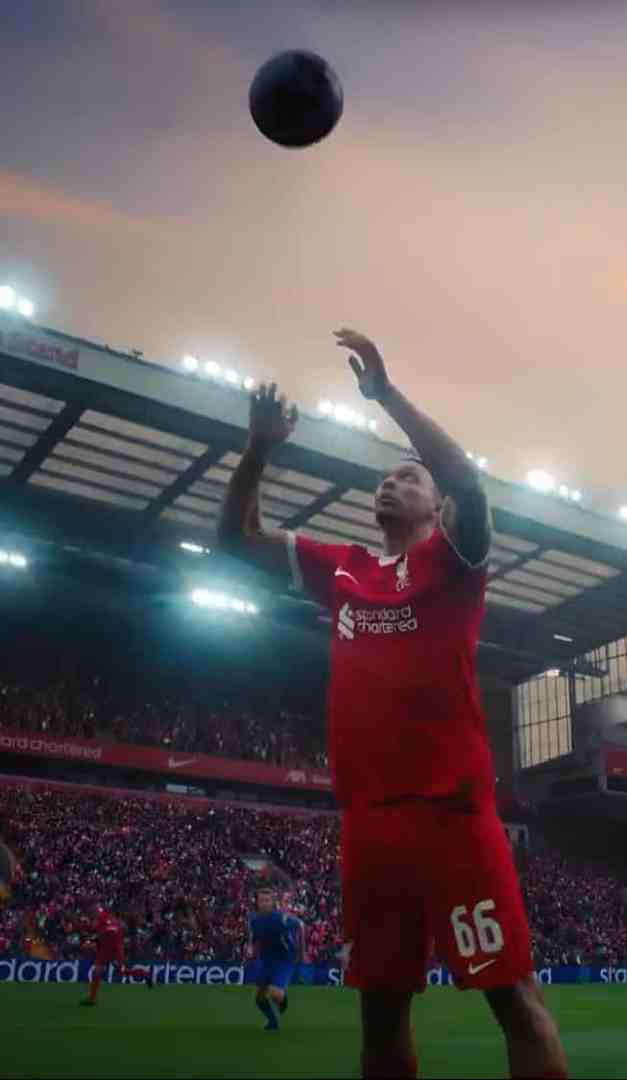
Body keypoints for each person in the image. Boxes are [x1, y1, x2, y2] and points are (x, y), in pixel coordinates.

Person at [217, 329, 569, 1079]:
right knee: (378, 1016)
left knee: (514, 1001)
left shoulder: (454, 560)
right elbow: (233, 539)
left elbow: (468, 482)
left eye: (407, 478)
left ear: (435, 506)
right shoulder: (342, 567)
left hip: (452, 815)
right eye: (384, 478)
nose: (390, 483)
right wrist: (257, 449)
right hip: (370, 824)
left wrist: (384, 397)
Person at [246, 887, 306, 1031]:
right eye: (261, 900)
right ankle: (272, 1022)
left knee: (274, 993)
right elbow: (254, 938)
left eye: (267, 900)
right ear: (257, 902)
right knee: (259, 998)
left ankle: (282, 1000)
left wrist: (301, 952)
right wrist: (251, 951)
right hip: (266, 959)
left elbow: (301, 925)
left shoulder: (281, 918)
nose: (264, 903)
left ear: (273, 902)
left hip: (284, 959)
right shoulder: (254, 919)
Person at [79, 905, 153, 1006]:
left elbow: (106, 933)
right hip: (109, 950)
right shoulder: (107, 920)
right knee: (98, 971)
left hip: (112, 950)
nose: (92, 915)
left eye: (93, 912)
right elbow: (103, 934)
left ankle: (144, 973)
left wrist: (91, 942)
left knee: (120, 971)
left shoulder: (103, 921)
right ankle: (92, 998)